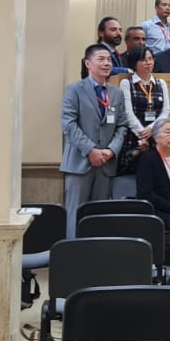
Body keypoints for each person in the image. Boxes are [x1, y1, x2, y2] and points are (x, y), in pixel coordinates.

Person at [60, 44, 130, 237]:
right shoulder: (75, 89)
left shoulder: (116, 93)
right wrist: (91, 150)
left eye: (108, 59)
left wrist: (111, 150)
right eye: (101, 59)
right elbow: (68, 123)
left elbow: (122, 126)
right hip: (80, 162)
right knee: (76, 213)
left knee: (100, 214)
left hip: (106, 163)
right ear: (88, 63)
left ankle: (96, 258)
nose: (106, 63)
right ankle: (73, 257)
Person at [134, 117, 170, 232]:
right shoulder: (148, 159)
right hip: (161, 210)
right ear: (156, 137)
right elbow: (146, 193)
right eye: (168, 132)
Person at [117, 46, 170, 177]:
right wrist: (142, 133)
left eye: (150, 59)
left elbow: (166, 111)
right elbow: (127, 112)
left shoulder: (160, 83)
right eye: (143, 60)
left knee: (155, 173)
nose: (148, 63)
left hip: (156, 136)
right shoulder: (127, 83)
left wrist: (152, 129)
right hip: (134, 136)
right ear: (134, 62)